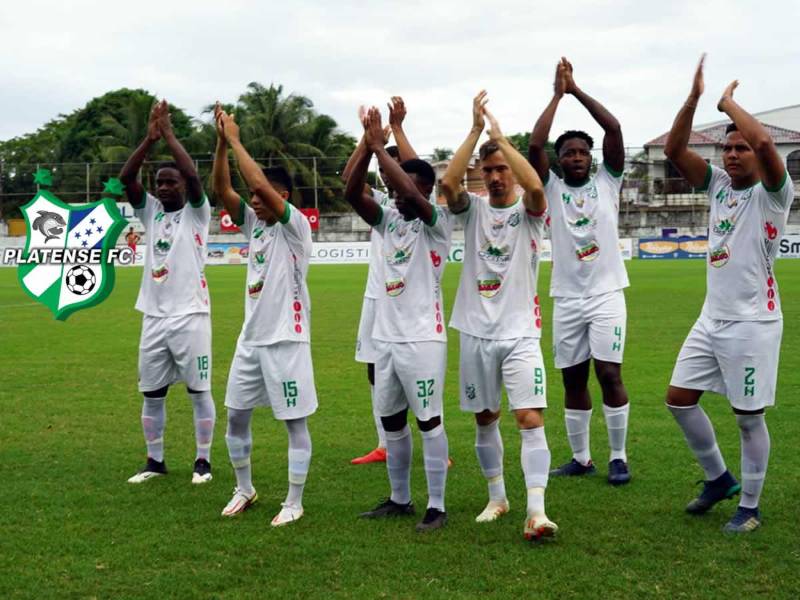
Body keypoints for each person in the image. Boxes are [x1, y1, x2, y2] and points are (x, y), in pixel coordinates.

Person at [663, 56, 793, 533]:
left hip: (753, 323)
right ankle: (719, 479)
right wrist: (694, 99)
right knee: (678, 399)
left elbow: (765, 141)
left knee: (747, 417)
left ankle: (750, 508)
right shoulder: (718, 185)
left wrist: (728, 103)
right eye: (727, 149)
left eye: (741, 148)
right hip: (711, 318)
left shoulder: (774, 194)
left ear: (757, 155)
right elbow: (674, 149)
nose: (733, 155)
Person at [440, 92, 556, 541]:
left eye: (501, 168)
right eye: (487, 170)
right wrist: (475, 131)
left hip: (521, 333)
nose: (493, 177)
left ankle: (537, 511)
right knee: (485, 417)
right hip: (475, 332)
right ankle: (497, 498)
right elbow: (449, 185)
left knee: (529, 417)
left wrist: (502, 139)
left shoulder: (530, 213)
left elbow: (538, 189)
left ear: (512, 170)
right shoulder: (473, 210)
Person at [346, 107, 452, 532]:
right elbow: (351, 191)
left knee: (428, 420)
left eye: (409, 189)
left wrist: (380, 148)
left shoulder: (437, 222)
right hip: (385, 339)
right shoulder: (387, 220)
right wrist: (366, 147)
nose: (398, 194)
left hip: (423, 340)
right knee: (391, 422)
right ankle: (400, 498)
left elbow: (408, 187)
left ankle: (437, 505)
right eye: (393, 188)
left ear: (426, 191)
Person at [212, 105, 317, 527]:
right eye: (253, 199)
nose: (253, 201)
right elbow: (222, 189)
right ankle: (245, 488)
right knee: (235, 418)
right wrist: (221, 144)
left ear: (282, 197)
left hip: (287, 340)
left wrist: (236, 138)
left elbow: (255, 180)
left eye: (261, 197)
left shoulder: (296, 228)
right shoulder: (255, 226)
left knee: (294, 423)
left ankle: (294, 501)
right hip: (250, 340)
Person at [528, 58, 632, 485]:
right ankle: (581, 458)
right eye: (568, 152)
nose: (576, 157)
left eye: (582, 152)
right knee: (572, 378)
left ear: (591, 157)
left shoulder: (608, 181)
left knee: (608, 373)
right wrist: (556, 95)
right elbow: (535, 145)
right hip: (567, 297)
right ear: (560, 159)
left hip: (607, 294)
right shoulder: (550, 187)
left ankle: (618, 457)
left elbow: (614, 129)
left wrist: (577, 90)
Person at [119, 100, 216, 485]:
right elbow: (127, 178)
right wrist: (149, 139)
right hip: (154, 316)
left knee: (198, 390)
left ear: (183, 187)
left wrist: (170, 135)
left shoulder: (197, 212)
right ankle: (154, 461)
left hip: (191, 315)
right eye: (159, 182)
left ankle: (203, 462)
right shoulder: (152, 211)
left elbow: (192, 174)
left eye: (169, 182)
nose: (162, 187)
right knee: (152, 392)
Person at [343, 98, 417, 465]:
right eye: (384, 167)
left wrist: (397, 131)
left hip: (412, 301)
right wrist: (367, 141)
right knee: (375, 369)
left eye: (395, 166)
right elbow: (348, 182)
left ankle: (434, 441)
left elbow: (416, 172)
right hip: (376, 297)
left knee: (417, 369)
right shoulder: (380, 204)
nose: (388, 173)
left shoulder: (419, 204)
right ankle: (384, 443)